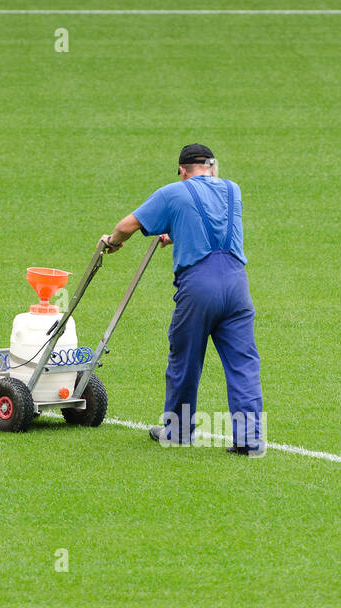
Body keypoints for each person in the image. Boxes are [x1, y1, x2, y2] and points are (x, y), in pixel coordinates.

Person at [100, 143, 265, 456]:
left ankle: (177, 431)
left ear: (182, 170)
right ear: (211, 167)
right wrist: (174, 232)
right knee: (243, 364)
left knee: (185, 360)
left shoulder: (173, 192)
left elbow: (127, 226)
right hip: (236, 284)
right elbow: (213, 225)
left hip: (199, 286)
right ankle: (249, 440)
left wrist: (111, 242)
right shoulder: (233, 190)